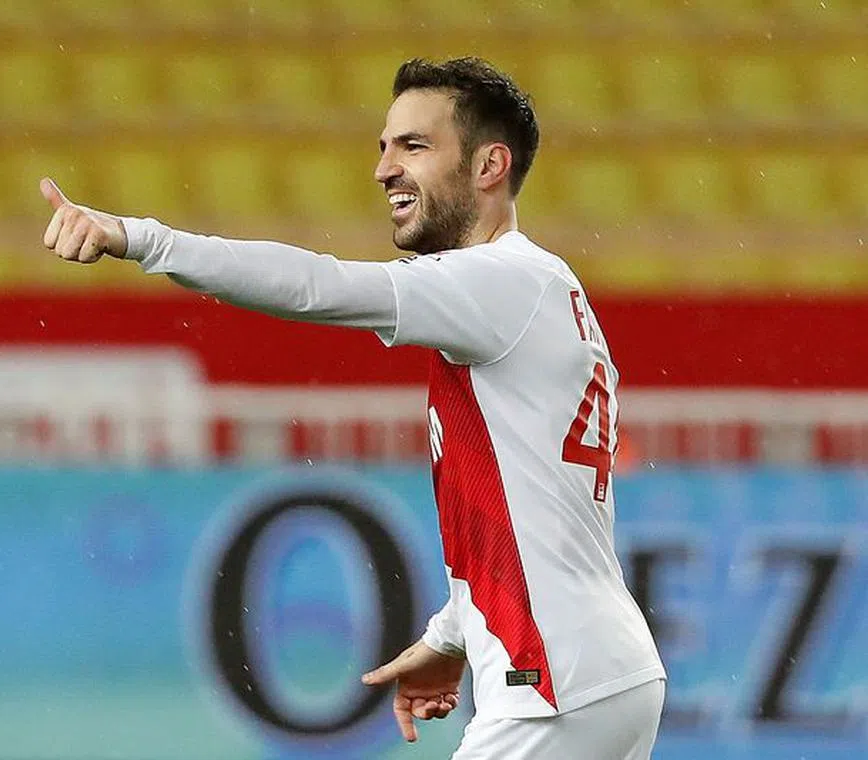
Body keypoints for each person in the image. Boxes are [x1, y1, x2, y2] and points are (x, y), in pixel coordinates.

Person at [38, 56, 666, 760]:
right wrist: (450, 635)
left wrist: (142, 238)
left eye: (414, 146)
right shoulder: (539, 290)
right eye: (384, 146)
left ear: (491, 166)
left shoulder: (502, 281)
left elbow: (318, 285)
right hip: (601, 676)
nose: (384, 169)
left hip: (552, 687)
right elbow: (539, 522)